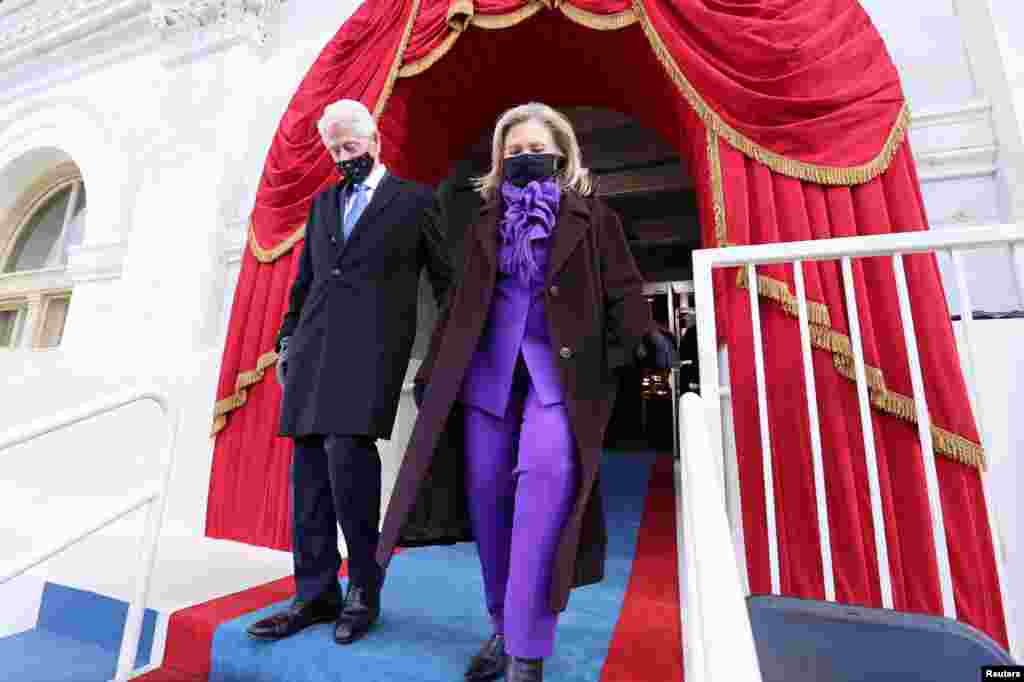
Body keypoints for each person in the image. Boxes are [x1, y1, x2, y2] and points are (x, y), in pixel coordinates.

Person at [375, 102, 675, 682]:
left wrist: (642, 335)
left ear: (560, 152)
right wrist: (433, 370)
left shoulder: (595, 216)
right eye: (511, 152)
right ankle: (502, 626)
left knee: (542, 490)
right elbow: (460, 307)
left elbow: (623, 288)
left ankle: (526, 651)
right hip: (487, 378)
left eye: (534, 147)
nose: (524, 157)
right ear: (498, 161)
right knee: (488, 506)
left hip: (558, 379)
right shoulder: (481, 222)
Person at [246, 99, 452, 646]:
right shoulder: (322, 204)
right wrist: (287, 338)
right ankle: (313, 594)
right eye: (334, 149)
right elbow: (306, 279)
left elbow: (446, 281)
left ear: (375, 141)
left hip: (371, 352)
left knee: (348, 465)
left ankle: (364, 588)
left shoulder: (416, 201)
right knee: (309, 473)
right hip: (312, 349)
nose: (342, 156)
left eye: (350, 146)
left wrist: (451, 352)